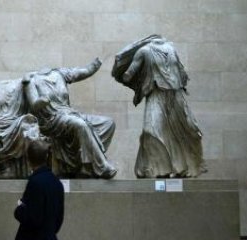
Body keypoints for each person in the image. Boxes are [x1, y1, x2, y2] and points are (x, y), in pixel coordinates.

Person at [113, 35, 205, 178]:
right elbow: (128, 74)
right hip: (156, 94)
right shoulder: (144, 51)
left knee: (185, 130)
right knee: (151, 130)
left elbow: (181, 73)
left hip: (176, 95)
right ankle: (157, 170)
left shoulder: (171, 49)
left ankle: (180, 168)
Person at [23, 58, 117, 179]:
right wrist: (42, 101)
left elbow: (85, 71)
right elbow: (34, 105)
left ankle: (85, 166)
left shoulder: (60, 73)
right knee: (80, 125)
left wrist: (97, 63)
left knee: (108, 123)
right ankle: (102, 165)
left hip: (69, 114)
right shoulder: (31, 80)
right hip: (51, 120)